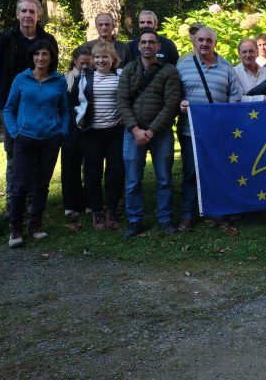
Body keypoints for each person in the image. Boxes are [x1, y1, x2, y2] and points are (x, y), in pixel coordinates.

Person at [2, 39, 68, 248]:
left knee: (42, 184)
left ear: (51, 57)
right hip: (24, 139)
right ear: (32, 57)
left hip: (50, 139)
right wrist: (14, 132)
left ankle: (35, 225)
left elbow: (65, 110)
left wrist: (62, 130)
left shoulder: (59, 81)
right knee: (20, 185)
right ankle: (15, 228)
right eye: (36, 54)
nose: (40, 58)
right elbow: (8, 109)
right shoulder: (21, 79)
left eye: (45, 54)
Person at [118, 29, 182, 237]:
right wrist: (136, 130)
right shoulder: (128, 69)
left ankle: (164, 218)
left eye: (151, 42)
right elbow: (122, 102)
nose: (147, 46)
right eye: (143, 42)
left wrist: (152, 131)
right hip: (132, 133)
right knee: (133, 180)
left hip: (160, 134)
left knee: (164, 179)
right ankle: (134, 220)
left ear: (158, 46)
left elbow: (171, 103)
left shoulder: (169, 71)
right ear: (138, 46)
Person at [177, 27, 243, 230]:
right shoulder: (182, 64)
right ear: (194, 42)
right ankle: (188, 214)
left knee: (218, 171)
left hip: (218, 132)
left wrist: (228, 110)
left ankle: (219, 211)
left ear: (215, 43)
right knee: (191, 172)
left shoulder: (226, 66)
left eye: (208, 40)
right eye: (200, 40)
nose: (204, 44)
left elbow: (235, 94)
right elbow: (172, 93)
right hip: (191, 131)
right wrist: (180, 103)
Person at [0, 0, 59, 204]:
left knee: (38, 157)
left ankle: (33, 203)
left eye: (32, 12)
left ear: (38, 16)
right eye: (23, 11)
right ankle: (13, 202)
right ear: (17, 14)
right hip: (13, 108)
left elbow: (53, 71)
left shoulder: (48, 40)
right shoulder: (5, 39)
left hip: (41, 108)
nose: (27, 15)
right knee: (13, 155)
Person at [75, 42, 125, 230]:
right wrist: (78, 118)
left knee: (116, 173)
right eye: (97, 57)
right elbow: (74, 100)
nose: (101, 60)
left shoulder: (120, 76)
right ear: (93, 60)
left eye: (105, 57)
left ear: (113, 59)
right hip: (91, 133)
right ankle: (97, 212)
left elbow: (127, 98)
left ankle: (111, 211)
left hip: (114, 133)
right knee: (92, 174)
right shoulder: (85, 76)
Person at [62, 46, 92, 220]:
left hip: (89, 129)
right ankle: (70, 204)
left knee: (90, 167)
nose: (86, 66)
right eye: (82, 63)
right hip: (70, 128)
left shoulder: (94, 77)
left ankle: (89, 202)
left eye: (89, 63)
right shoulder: (65, 79)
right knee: (70, 167)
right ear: (75, 61)